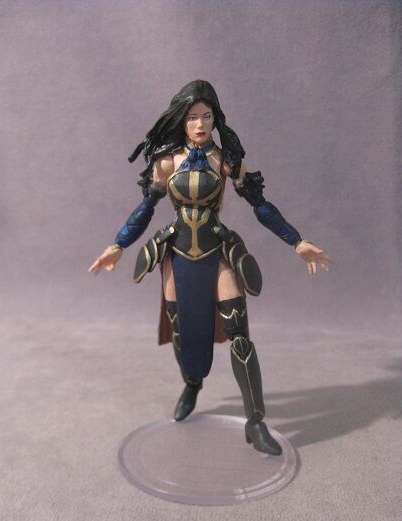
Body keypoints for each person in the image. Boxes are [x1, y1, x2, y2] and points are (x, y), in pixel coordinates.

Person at [89, 80, 331, 456]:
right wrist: (118, 244)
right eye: (192, 117)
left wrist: (296, 241)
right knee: (182, 330)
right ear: (181, 121)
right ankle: (192, 384)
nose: (200, 124)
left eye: (206, 116)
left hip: (218, 250)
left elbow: (261, 206)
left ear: (216, 119)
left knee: (240, 335)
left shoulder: (226, 161)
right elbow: (145, 210)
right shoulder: (166, 162)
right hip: (176, 253)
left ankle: (255, 422)